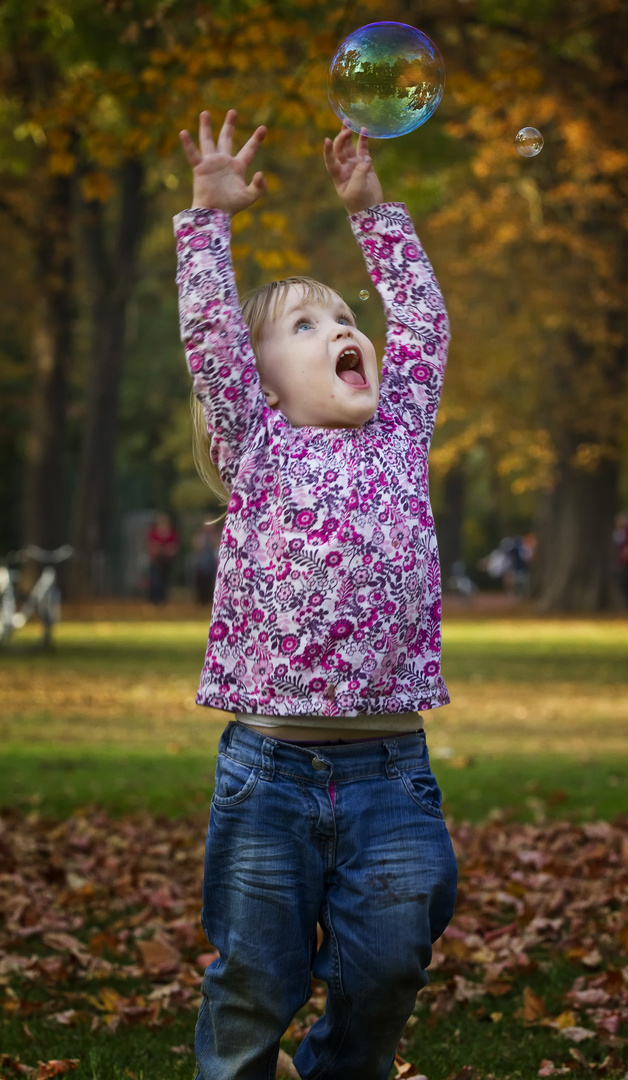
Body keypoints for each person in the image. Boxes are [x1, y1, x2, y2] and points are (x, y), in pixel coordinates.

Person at [174, 108, 458, 1080]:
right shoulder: (258, 445)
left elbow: (420, 323)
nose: (342, 329)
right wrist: (209, 218)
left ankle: (337, 1066)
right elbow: (211, 335)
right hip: (268, 774)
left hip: (389, 765)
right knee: (254, 976)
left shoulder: (398, 433)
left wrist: (374, 213)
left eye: (344, 319)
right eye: (305, 324)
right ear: (256, 381)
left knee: (390, 960)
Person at [145, 511, 179, 604]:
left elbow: (173, 548)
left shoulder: (171, 534)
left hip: (166, 562)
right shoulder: (154, 533)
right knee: (155, 577)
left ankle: (161, 599)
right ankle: (153, 598)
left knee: (164, 579)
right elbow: (152, 547)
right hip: (156, 561)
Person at [191, 520, 220, 605]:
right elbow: (196, 546)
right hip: (201, 563)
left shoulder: (217, 536)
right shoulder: (200, 536)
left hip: (213, 563)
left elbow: (217, 545)